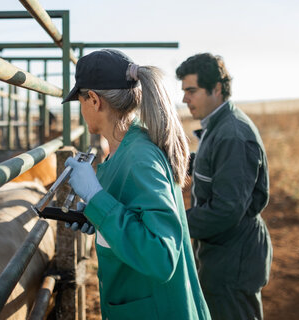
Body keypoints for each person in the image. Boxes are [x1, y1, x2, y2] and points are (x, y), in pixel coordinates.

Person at [62, 49, 211, 320]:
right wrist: (94, 217)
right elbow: (135, 218)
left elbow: (161, 255)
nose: (81, 109)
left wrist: (97, 198)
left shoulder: (140, 157)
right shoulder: (123, 150)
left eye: (80, 100)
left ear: (93, 100)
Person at [176, 53, 273, 320]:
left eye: (191, 91)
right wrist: (175, 160)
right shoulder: (217, 125)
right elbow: (213, 168)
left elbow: (225, 210)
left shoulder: (232, 135)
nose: (185, 99)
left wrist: (174, 224)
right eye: (184, 91)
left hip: (233, 257)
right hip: (222, 250)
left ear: (216, 89)